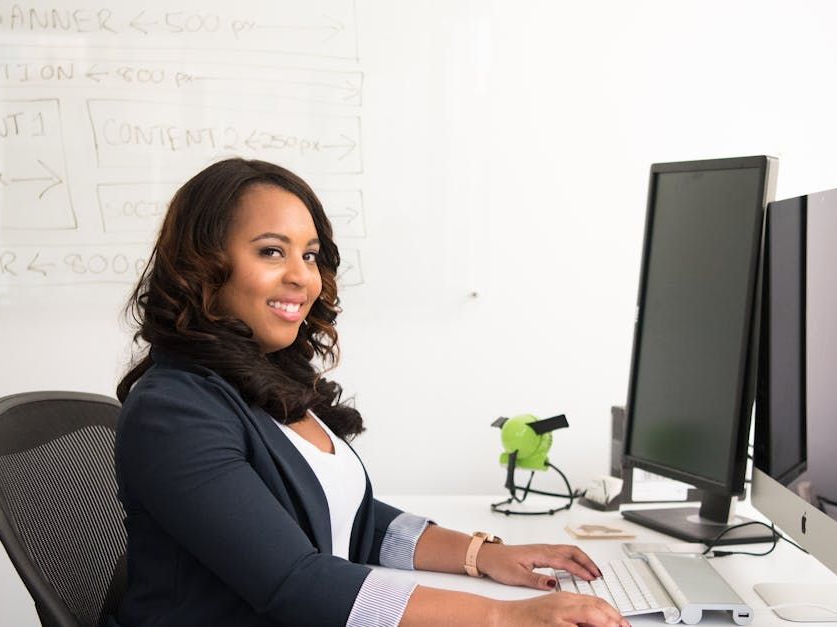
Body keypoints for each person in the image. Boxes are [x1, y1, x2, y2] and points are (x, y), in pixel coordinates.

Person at [113, 158, 628, 627]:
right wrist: (504, 617)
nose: (301, 276)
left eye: (310, 255)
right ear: (203, 267)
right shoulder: (174, 412)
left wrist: (483, 556)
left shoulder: (266, 381)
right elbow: (297, 583)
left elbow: (357, 522)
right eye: (271, 251)